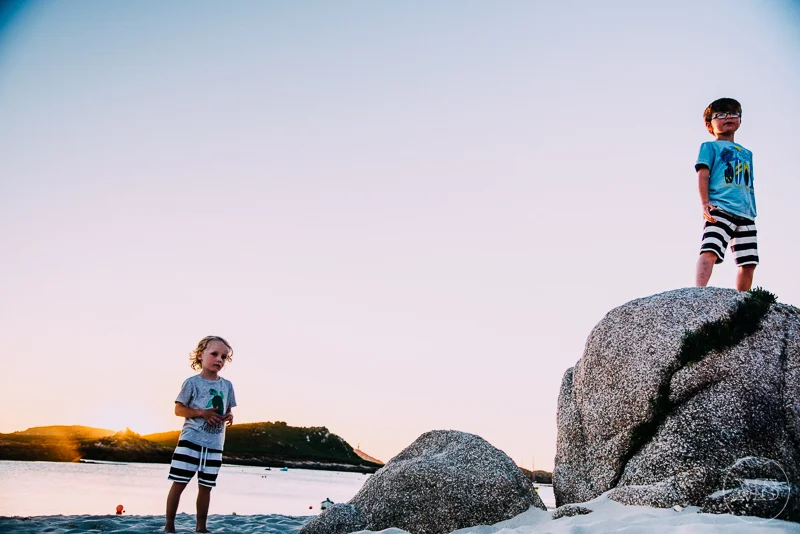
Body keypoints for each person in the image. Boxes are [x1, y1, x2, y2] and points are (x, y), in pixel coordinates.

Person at [164, 336, 237, 533]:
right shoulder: (192, 383)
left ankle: (201, 528)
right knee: (179, 483)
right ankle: (169, 526)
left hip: (214, 444)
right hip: (191, 441)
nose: (219, 359)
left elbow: (227, 409)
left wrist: (229, 416)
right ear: (200, 355)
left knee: (206, 487)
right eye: (214, 354)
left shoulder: (227, 385)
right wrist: (201, 413)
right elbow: (179, 410)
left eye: (224, 356)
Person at [694, 97, 758, 291]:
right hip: (720, 206)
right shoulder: (709, 147)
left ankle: (742, 301)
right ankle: (699, 291)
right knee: (710, 249)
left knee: (748, 262)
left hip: (746, 213)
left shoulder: (747, 152)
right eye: (720, 115)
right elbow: (703, 174)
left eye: (733, 113)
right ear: (709, 125)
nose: (728, 117)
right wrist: (705, 202)